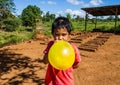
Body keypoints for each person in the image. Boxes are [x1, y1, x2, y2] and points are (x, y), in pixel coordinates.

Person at [43, 16, 81, 85]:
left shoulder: (73, 48)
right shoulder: (51, 45)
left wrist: (66, 65)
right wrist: (52, 49)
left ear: (69, 35)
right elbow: (45, 61)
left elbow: (76, 64)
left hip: (66, 82)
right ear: (52, 34)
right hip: (51, 82)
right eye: (57, 34)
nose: (60, 38)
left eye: (64, 35)